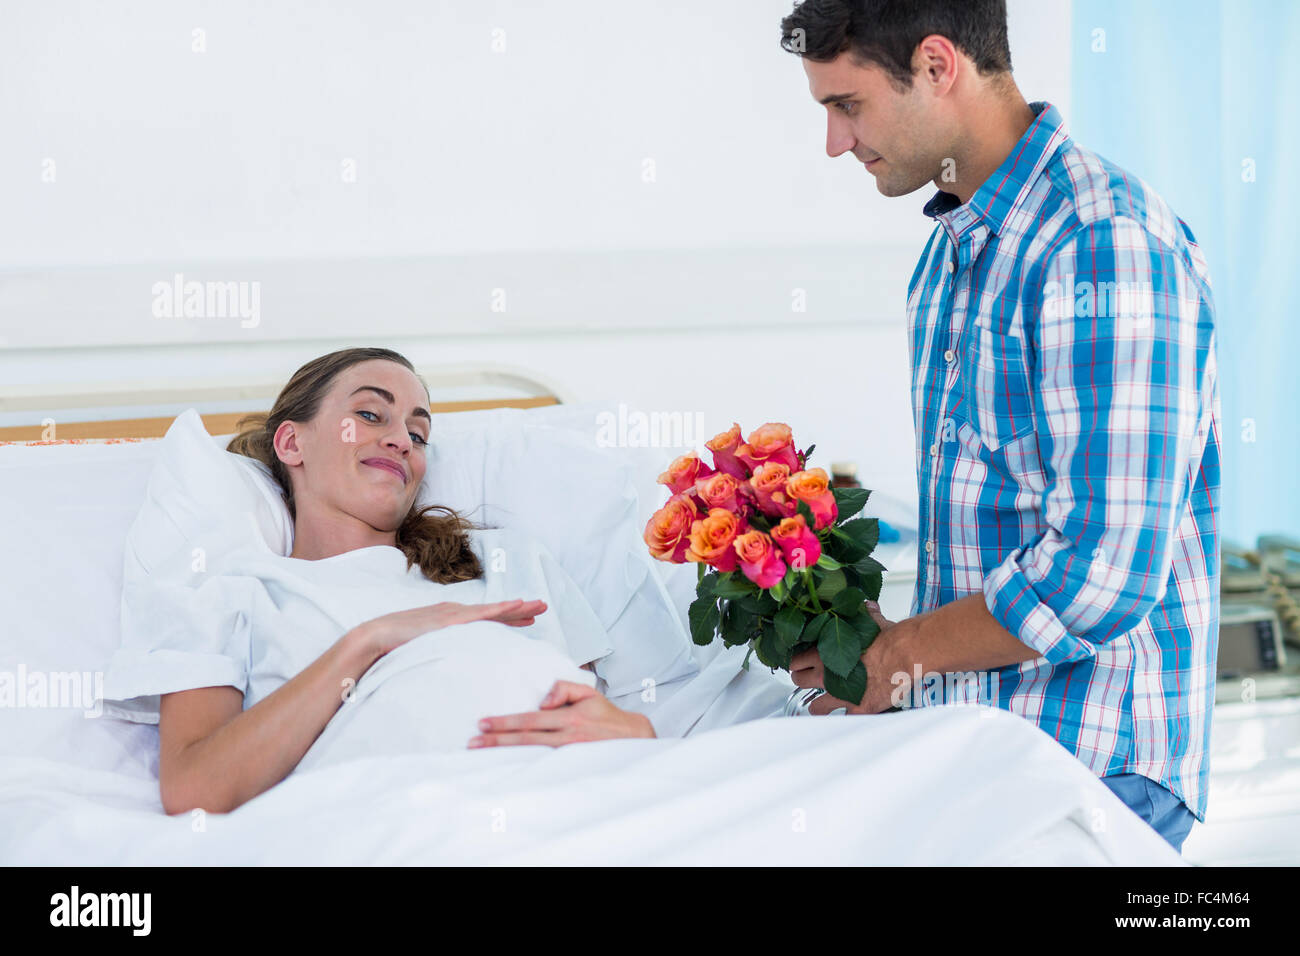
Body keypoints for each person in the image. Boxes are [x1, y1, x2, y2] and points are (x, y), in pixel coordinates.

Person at [779, 0, 1220, 855]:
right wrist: (875, 644)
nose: (837, 142)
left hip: (1094, 769)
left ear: (939, 66)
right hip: (987, 746)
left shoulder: (1102, 246)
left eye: (848, 105)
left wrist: (901, 653)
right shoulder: (953, 253)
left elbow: (1100, 576)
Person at [112, 347, 653, 815]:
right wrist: (369, 642)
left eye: (418, 434)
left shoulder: (504, 559)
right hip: (399, 820)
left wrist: (640, 735)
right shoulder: (233, 592)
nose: (401, 441)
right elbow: (195, 787)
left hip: (582, 802)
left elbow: (596, 715)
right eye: (371, 414)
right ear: (291, 444)